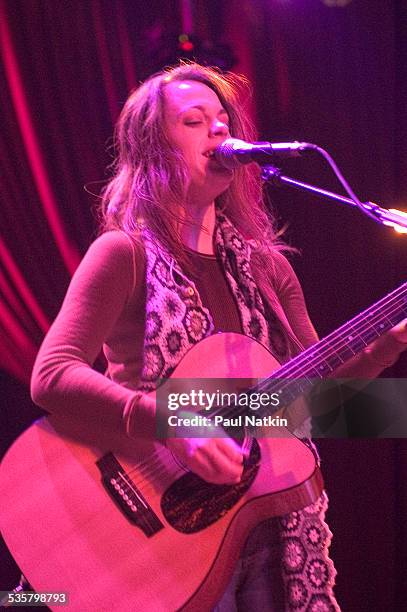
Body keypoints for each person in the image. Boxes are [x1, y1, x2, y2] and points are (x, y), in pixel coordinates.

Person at [31, 62, 407, 611]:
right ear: (153, 149)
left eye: (224, 119)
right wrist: (174, 425)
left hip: (265, 530)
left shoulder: (268, 269)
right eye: (194, 120)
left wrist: (387, 346)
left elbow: (318, 406)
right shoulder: (123, 254)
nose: (220, 130)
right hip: (153, 525)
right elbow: (52, 375)